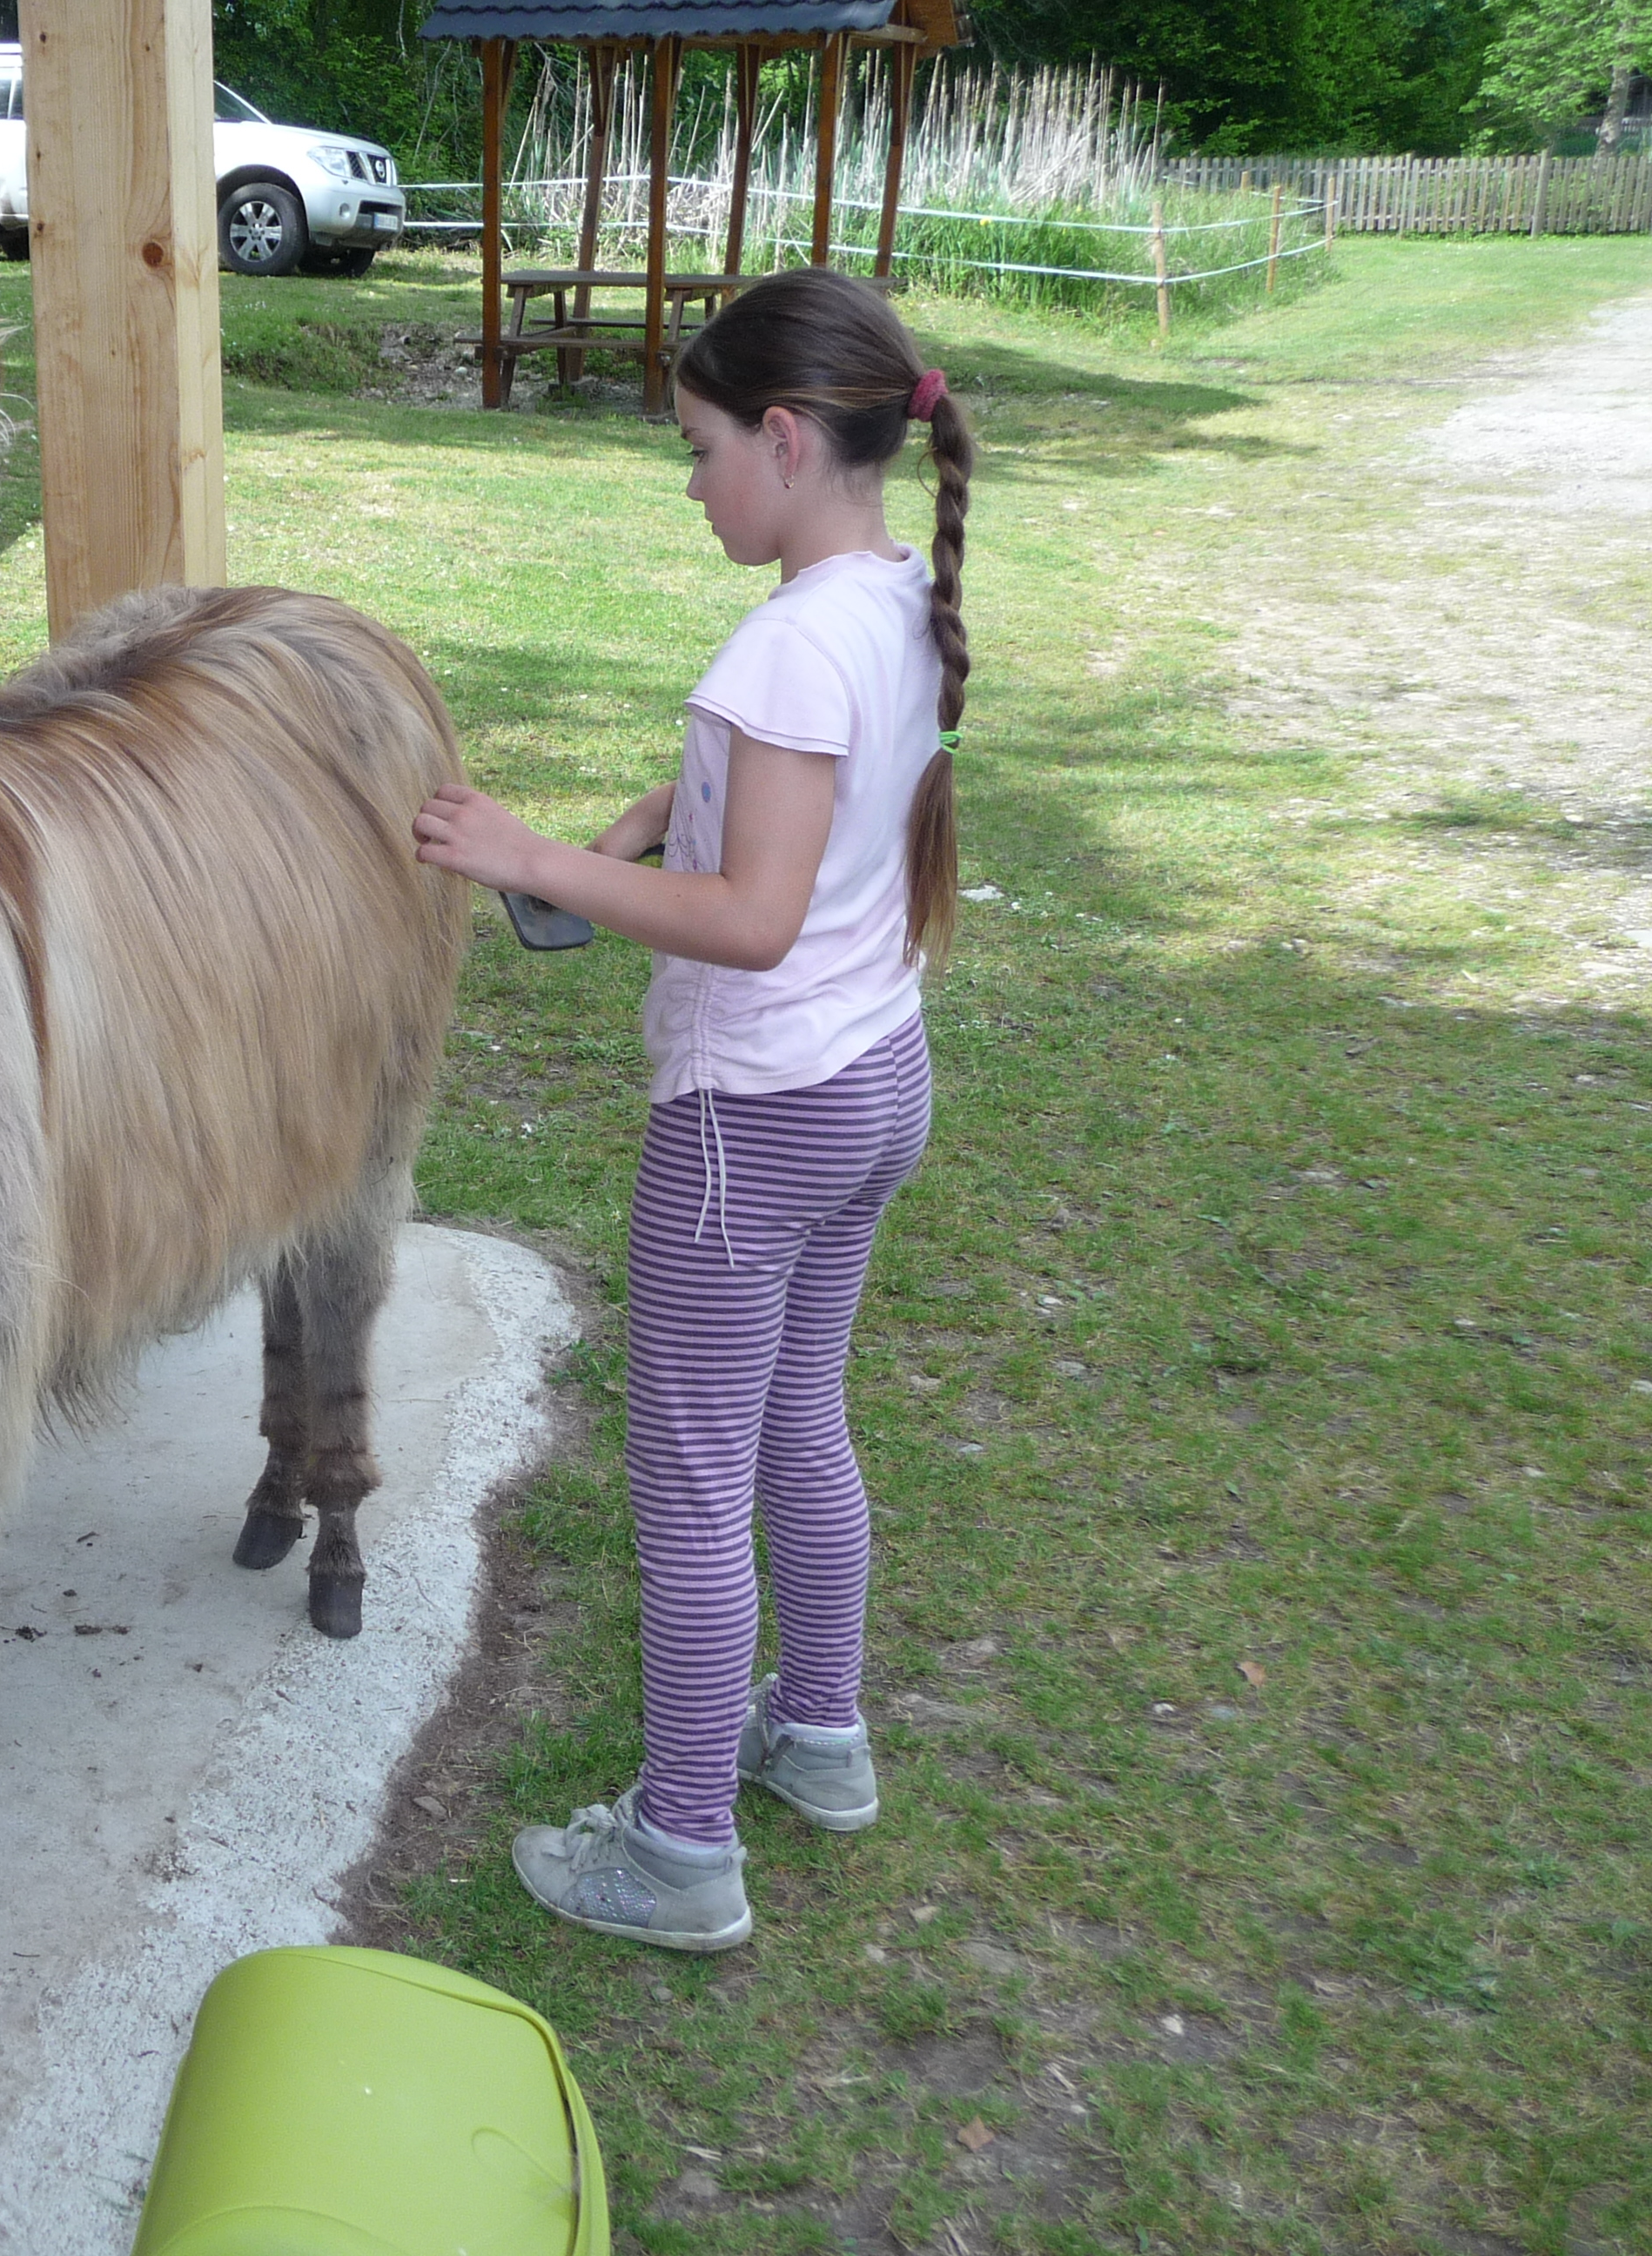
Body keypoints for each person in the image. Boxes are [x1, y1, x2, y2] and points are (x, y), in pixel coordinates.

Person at [411, 265, 973, 1952]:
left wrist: (527, 857)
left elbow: (755, 916)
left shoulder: (785, 649)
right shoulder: (895, 604)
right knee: (803, 1421)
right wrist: (648, 818)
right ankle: (821, 1741)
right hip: (879, 1083)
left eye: (701, 447)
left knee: (691, 1482)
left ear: (788, 442)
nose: (692, 481)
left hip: (758, 1122)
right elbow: (769, 809)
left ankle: (678, 1856)